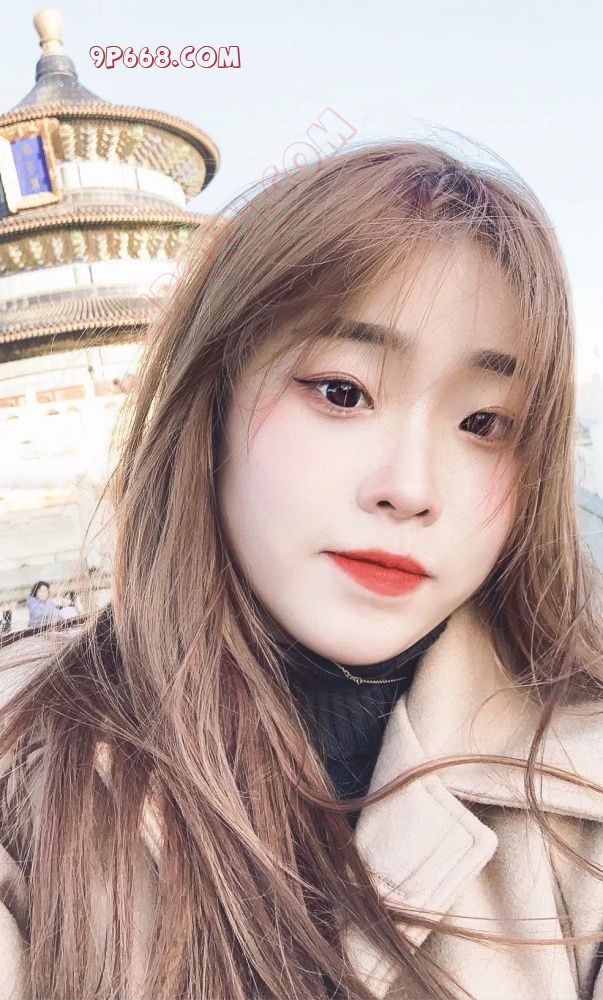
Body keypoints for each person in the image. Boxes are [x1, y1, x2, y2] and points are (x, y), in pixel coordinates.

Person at [0, 138, 602, 1000]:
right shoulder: (25, 761)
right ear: (209, 401)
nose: (410, 489)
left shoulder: (579, 781)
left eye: (483, 423)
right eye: (341, 392)